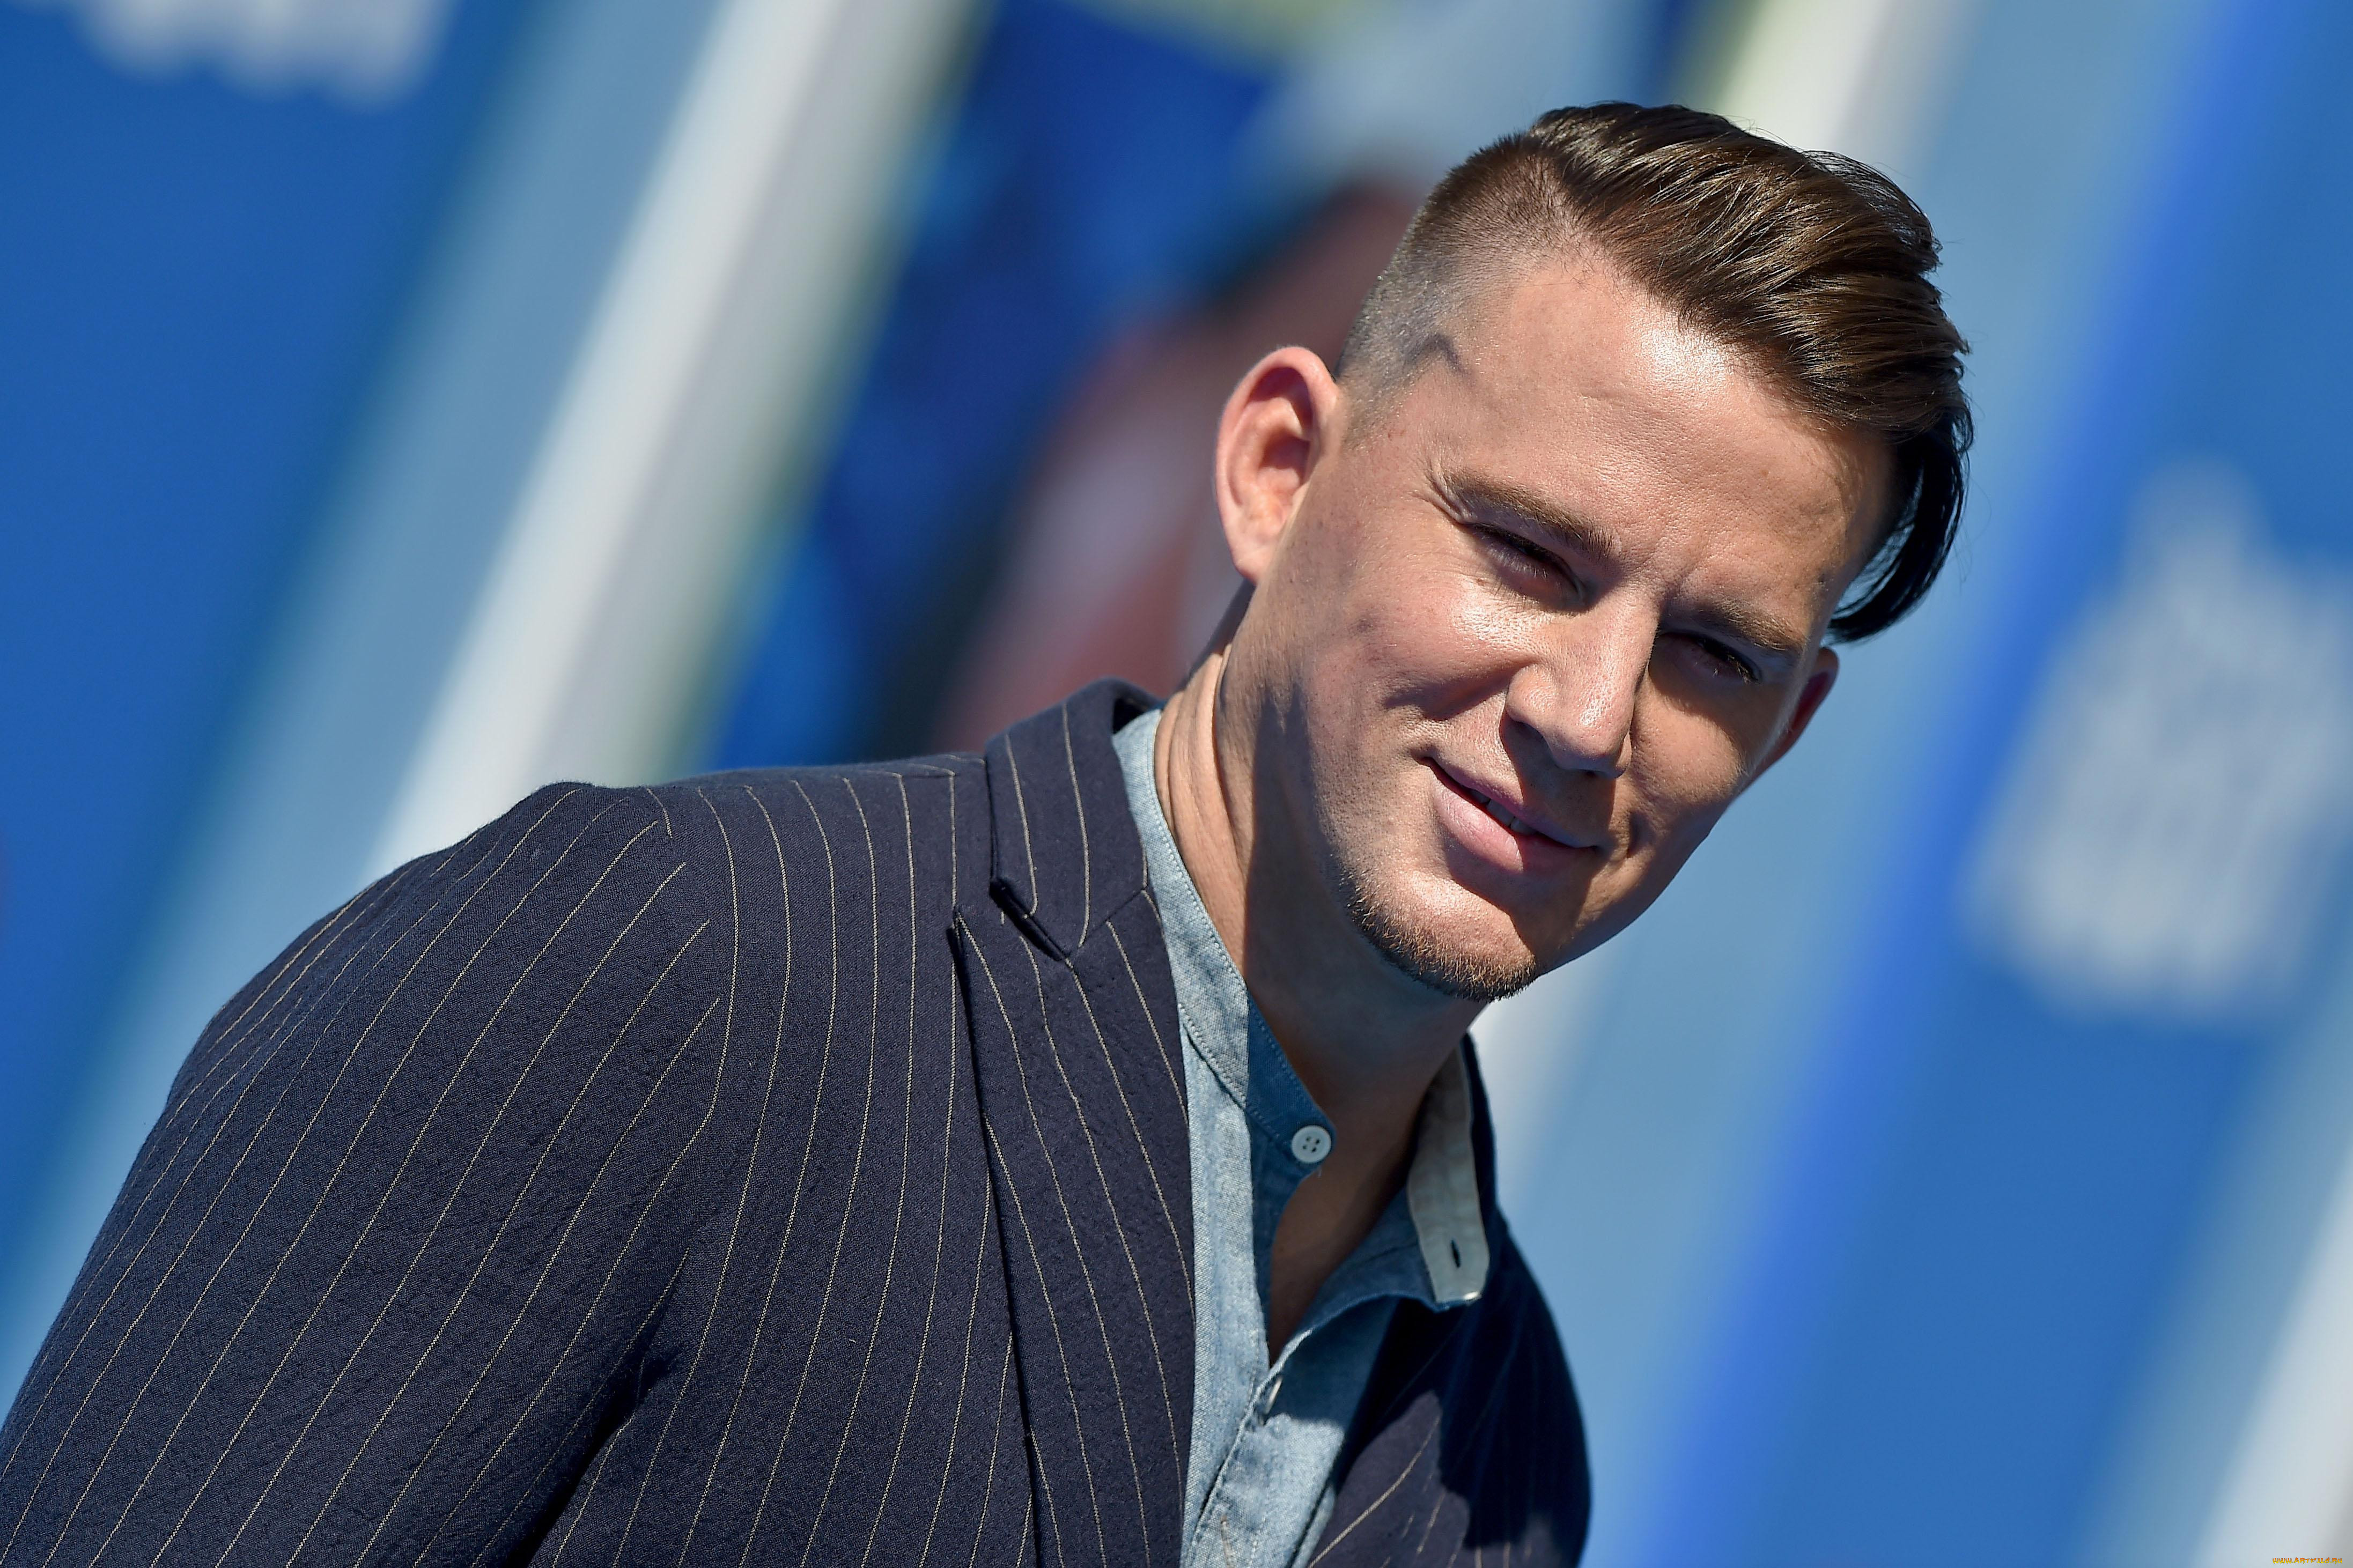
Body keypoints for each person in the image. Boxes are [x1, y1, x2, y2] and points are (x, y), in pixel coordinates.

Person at [0, 103, 1967, 1566]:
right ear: (1276, 467)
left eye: (1709, 652)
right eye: (1527, 552)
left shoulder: (1501, 1444)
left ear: (1782, 728)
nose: (1588, 711)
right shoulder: (647, 967)